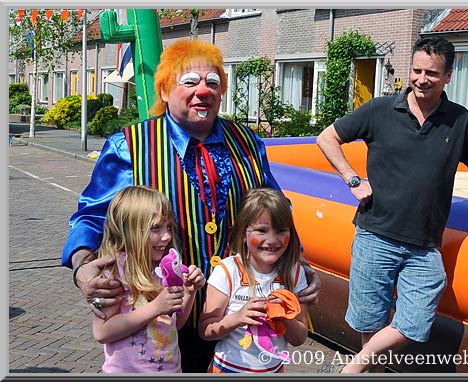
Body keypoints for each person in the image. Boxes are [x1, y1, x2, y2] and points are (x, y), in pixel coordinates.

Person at [62, 39, 320, 372]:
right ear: (166, 91)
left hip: (234, 317)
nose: (204, 90)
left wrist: (296, 258)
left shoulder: (247, 142)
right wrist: (83, 265)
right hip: (162, 316)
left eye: (213, 82)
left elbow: (274, 209)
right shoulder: (129, 145)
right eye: (190, 82)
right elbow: (91, 216)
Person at [315, 35, 468, 373]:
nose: (421, 79)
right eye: (417, 70)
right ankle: (364, 369)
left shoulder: (460, 121)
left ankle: (353, 368)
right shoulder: (380, 110)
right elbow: (326, 137)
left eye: (431, 73)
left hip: (424, 247)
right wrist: (353, 179)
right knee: (369, 323)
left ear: (448, 75)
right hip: (374, 235)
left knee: (415, 323)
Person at [91, 186, 205, 372]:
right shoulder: (114, 272)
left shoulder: (162, 269)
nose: (167, 236)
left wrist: (189, 291)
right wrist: (156, 307)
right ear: (129, 229)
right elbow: (102, 332)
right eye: (155, 228)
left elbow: (173, 324)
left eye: (168, 227)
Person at [199, 188, 308, 373]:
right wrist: (237, 318)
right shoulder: (227, 271)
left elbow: (299, 338)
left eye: (281, 231)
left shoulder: (294, 273)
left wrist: (284, 317)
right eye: (261, 230)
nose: (272, 239)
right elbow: (205, 330)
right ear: (243, 233)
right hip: (227, 370)